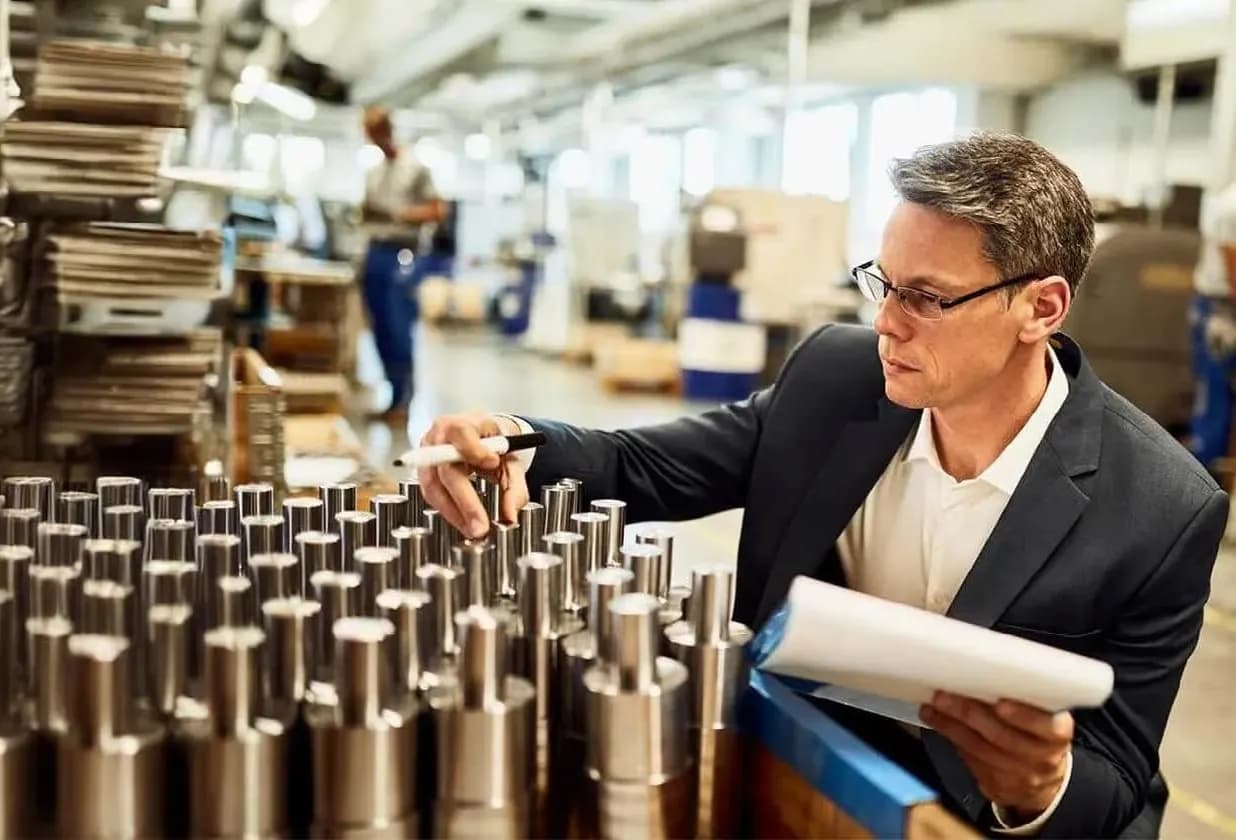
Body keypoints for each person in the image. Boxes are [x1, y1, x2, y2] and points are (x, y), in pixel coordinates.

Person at [416, 133, 1227, 838]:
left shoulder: (1159, 507)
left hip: (974, 817)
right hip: (802, 759)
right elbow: (640, 466)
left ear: (1042, 306)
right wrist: (505, 441)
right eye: (883, 281)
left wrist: (1038, 788)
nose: (886, 322)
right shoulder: (839, 379)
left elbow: (1118, 779)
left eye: (927, 298)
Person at [360, 105, 446, 423]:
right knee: (380, 329)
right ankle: (393, 395)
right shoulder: (375, 171)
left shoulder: (416, 169)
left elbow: (438, 210)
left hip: (403, 254)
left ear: (386, 130)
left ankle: (404, 399)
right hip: (375, 252)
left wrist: (399, 214)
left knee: (398, 328)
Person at [1189, 180, 1236, 473]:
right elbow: (1234, 272)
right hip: (1222, 310)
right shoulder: (1232, 207)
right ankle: (1206, 474)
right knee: (1215, 394)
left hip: (1221, 307)